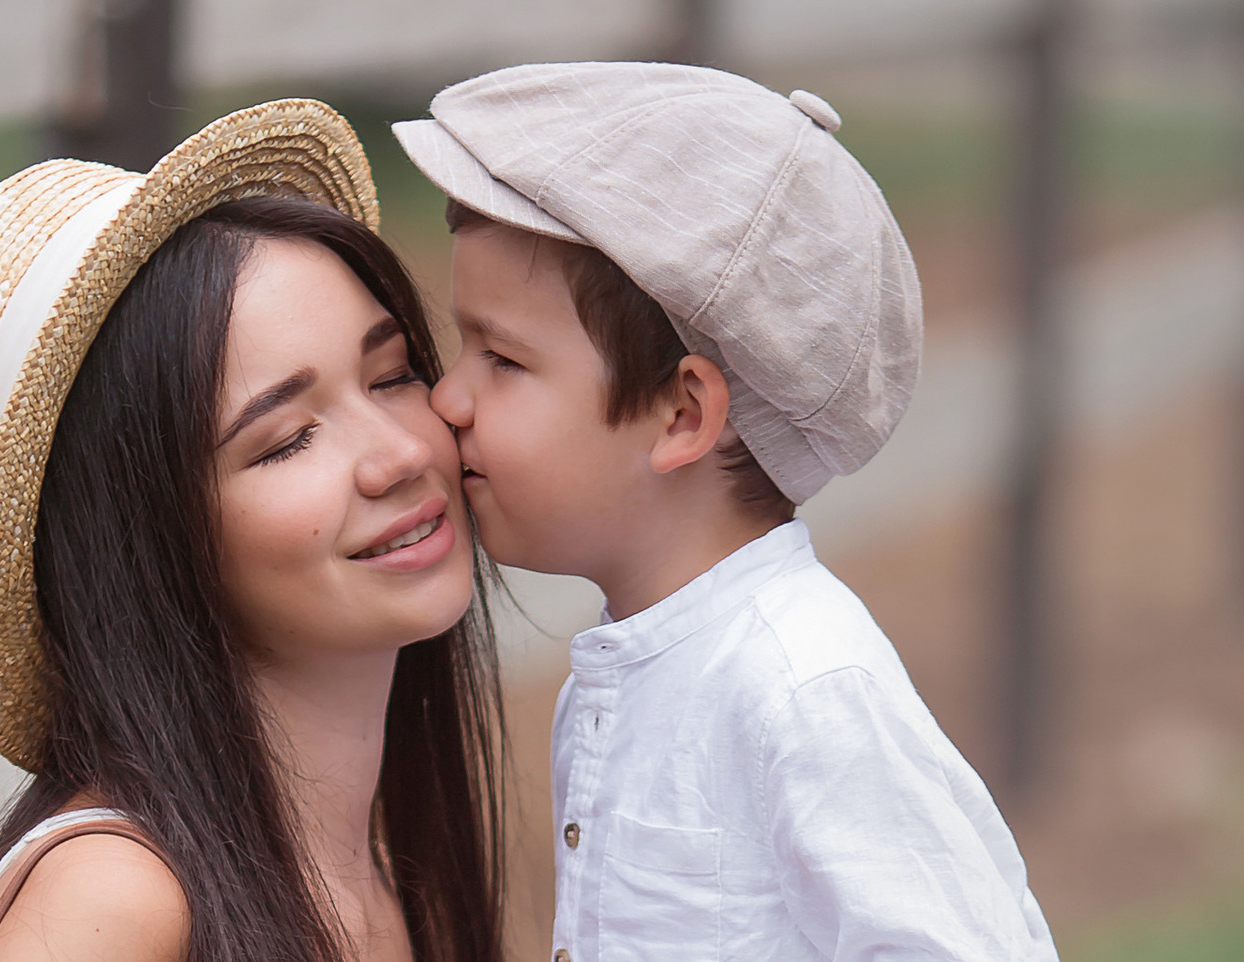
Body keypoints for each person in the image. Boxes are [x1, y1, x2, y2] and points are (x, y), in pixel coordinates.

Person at [393, 63, 1058, 960]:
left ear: (683, 415)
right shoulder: (634, 669)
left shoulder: (805, 690)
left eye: (502, 361)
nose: (450, 399)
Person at [0, 101, 505, 962]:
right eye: (286, 440)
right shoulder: (115, 901)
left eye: (391, 376)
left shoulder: (370, 872)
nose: (398, 454)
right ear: (149, 548)